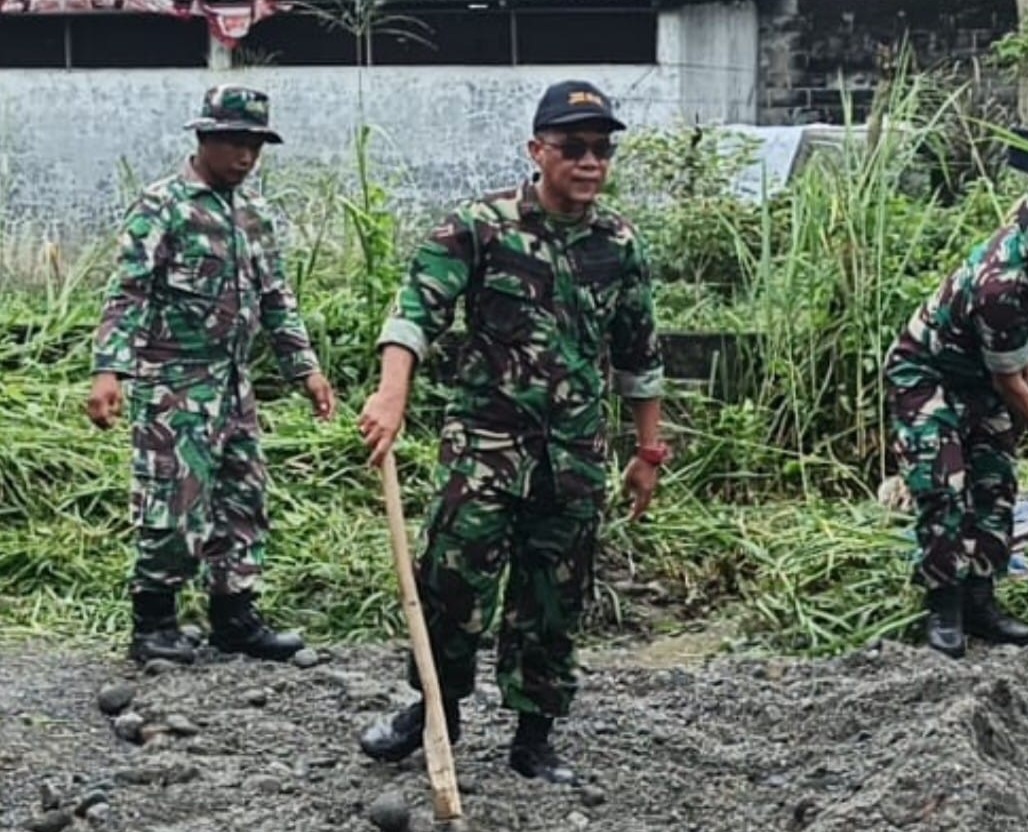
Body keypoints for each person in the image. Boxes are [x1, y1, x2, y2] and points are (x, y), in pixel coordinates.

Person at [357, 79, 666, 784]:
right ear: (538, 150)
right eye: (574, 148)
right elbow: (416, 308)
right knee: (453, 579)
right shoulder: (482, 225)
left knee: (555, 594)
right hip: (486, 448)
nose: (590, 163)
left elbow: (640, 356)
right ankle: (435, 707)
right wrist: (391, 393)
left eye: (602, 150)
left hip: (575, 456)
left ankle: (535, 733)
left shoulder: (618, 244)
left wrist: (647, 451)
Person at [87, 85, 336, 665]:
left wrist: (307, 369)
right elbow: (128, 292)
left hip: (234, 384)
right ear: (203, 138)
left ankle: (235, 616)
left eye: (254, 145)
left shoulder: (256, 214)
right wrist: (109, 372)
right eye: (233, 143)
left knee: (242, 498)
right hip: (174, 382)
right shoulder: (164, 206)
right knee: (173, 505)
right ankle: (154, 622)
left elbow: (277, 298)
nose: (245, 157)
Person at [884, 187, 1028, 659]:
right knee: (943, 484)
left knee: (994, 482)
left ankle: (980, 603)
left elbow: (1019, 353)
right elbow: (1009, 383)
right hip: (928, 375)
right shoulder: (1002, 283)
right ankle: (943, 606)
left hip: (983, 378)